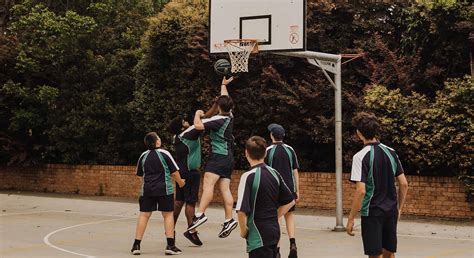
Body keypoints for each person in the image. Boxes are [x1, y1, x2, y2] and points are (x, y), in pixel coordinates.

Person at [346, 112, 409, 258]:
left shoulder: (360, 156)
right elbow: (404, 184)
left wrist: (351, 218)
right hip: (391, 211)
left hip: (372, 212)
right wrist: (399, 208)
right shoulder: (391, 152)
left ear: (359, 133)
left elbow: (361, 191)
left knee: (375, 255)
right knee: (389, 253)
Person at [187, 76, 238, 238]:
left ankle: (200, 214)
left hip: (218, 156)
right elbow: (225, 100)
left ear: (219, 107)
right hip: (229, 158)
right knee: (224, 188)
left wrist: (197, 114)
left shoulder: (217, 120)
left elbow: (198, 126)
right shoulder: (230, 116)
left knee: (208, 184)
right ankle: (229, 219)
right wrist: (223, 84)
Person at [237, 136, 295, 258]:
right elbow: (290, 201)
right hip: (274, 232)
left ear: (246, 153)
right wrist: (275, 216)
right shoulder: (274, 173)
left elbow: (241, 210)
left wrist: (243, 231)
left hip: (258, 235)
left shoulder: (247, 176)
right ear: (265, 154)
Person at [131, 132, 186, 256]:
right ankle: (170, 245)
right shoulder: (164, 153)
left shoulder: (143, 155)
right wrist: (181, 183)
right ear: (157, 142)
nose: (160, 139)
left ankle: (136, 245)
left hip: (147, 190)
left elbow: (139, 175)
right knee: (168, 215)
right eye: (159, 138)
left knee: (144, 215)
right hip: (164, 189)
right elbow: (175, 172)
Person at [265, 123, 300, 258]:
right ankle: (293, 244)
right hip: (290, 189)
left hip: (275, 190)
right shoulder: (290, 150)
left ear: (271, 135)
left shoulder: (268, 150)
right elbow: (295, 171)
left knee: (276, 218)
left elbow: (266, 172)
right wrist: (297, 191)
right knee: (289, 216)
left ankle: (277, 250)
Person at [168, 116, 203, 246]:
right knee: (191, 202)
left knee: (179, 201)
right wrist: (199, 114)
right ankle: (192, 231)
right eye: (184, 121)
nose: (187, 121)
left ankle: (170, 228)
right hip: (190, 172)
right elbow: (202, 123)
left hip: (180, 171)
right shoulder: (188, 135)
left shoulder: (176, 137)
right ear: (182, 127)